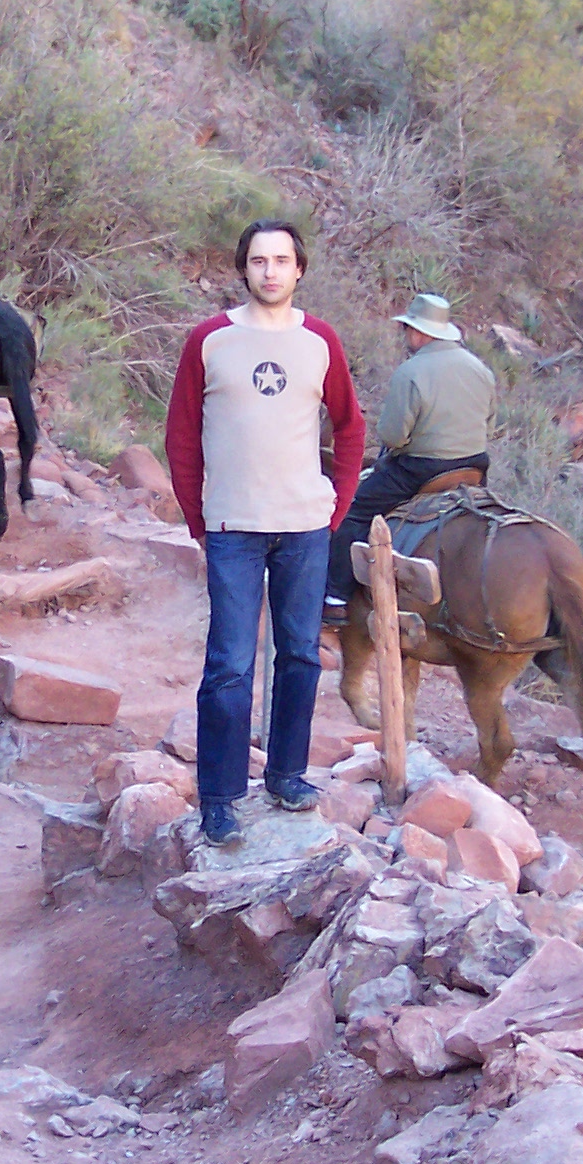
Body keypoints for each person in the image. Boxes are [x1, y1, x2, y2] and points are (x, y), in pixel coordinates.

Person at [164, 220, 365, 848]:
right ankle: (220, 799)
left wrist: (335, 506)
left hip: (304, 526)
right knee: (229, 663)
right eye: (258, 261)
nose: (270, 271)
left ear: (299, 268)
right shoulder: (210, 340)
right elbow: (181, 435)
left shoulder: (320, 341)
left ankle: (285, 775)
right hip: (234, 526)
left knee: (301, 655)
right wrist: (198, 517)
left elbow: (350, 427)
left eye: (281, 260)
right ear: (243, 268)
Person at [324, 291, 497, 624]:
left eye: (407, 329)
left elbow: (393, 437)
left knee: (353, 510)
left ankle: (334, 597)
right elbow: (489, 423)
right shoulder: (481, 370)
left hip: (421, 470)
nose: (405, 335)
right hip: (474, 468)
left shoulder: (411, 371)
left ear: (418, 332)